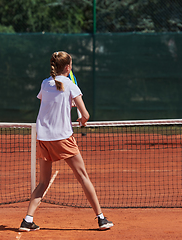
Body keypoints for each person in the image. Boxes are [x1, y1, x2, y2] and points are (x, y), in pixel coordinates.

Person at [19, 51, 113, 231]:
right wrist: (83, 120)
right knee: (83, 177)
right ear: (68, 68)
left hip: (44, 138)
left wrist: (66, 103)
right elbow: (85, 115)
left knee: (43, 182)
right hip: (62, 138)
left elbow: (49, 103)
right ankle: (101, 218)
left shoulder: (45, 84)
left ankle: (27, 220)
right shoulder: (71, 86)